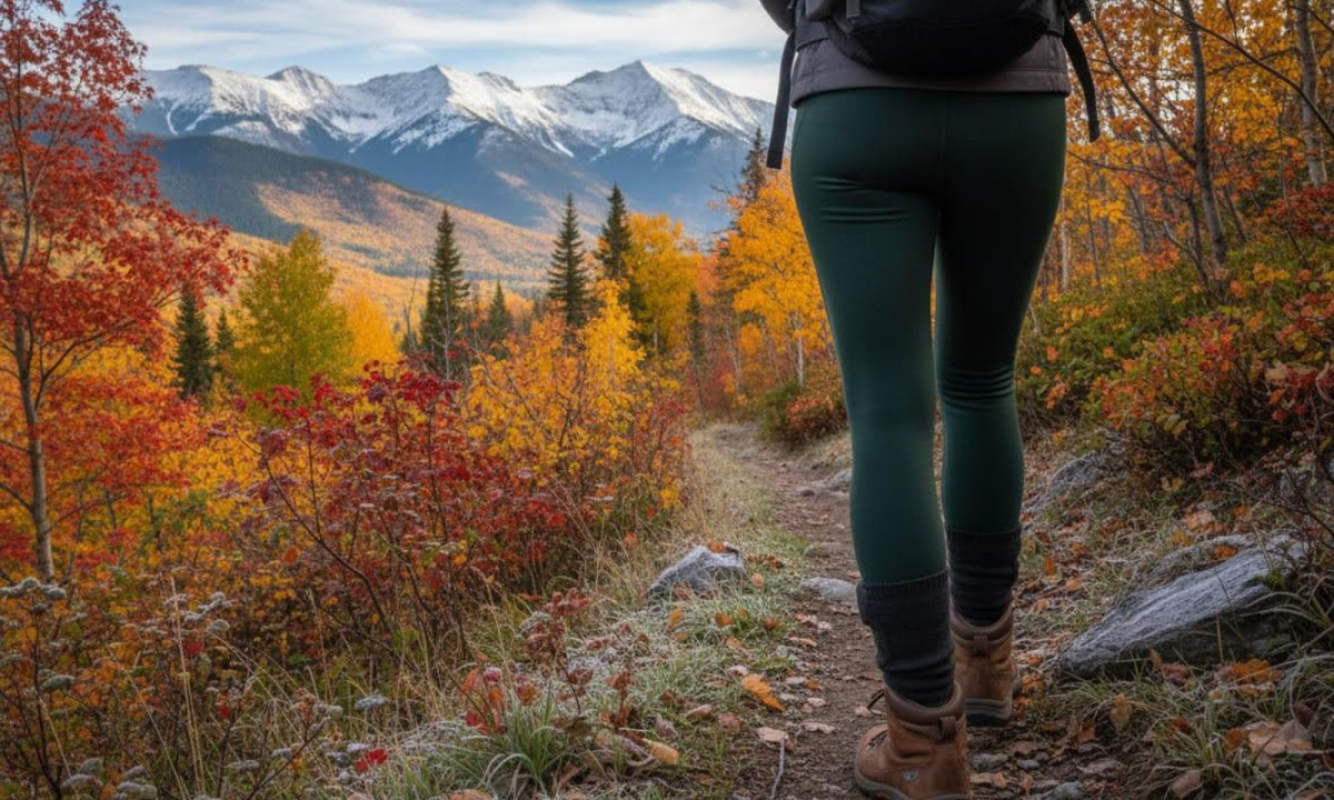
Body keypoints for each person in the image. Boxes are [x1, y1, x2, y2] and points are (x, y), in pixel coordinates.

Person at [756, 1, 1076, 798]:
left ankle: (923, 739)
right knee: (983, 379)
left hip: (856, 105)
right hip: (1017, 104)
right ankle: (986, 663)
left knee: (887, 415)